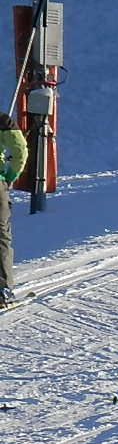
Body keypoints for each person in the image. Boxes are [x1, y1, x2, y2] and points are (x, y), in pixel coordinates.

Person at [0, 113, 30, 306]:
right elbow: (20, 151)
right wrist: (10, 176)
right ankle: (2, 290)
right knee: (1, 236)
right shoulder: (3, 121)